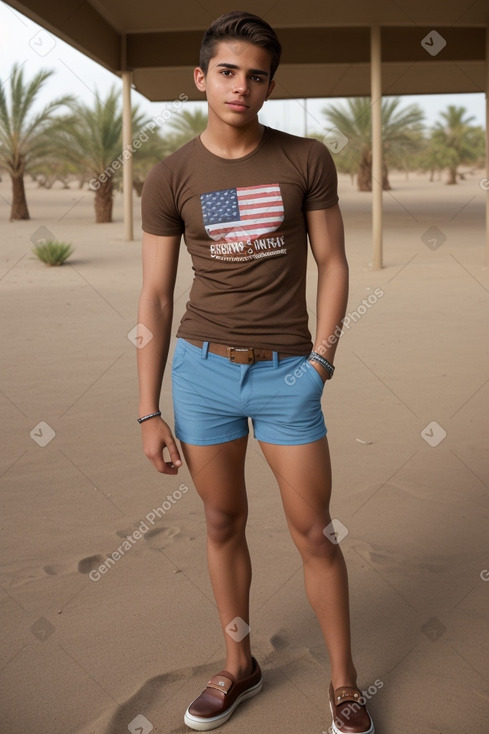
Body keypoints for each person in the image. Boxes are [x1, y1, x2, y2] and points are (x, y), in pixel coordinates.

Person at [136, 10, 375, 734]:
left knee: (312, 533)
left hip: (287, 377)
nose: (242, 85)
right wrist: (148, 408)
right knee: (220, 520)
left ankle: (344, 685)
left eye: (257, 74)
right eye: (228, 71)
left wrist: (321, 363)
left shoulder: (306, 158)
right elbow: (153, 293)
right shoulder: (171, 174)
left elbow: (332, 263)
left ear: (270, 85)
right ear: (201, 78)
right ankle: (239, 666)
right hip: (201, 372)